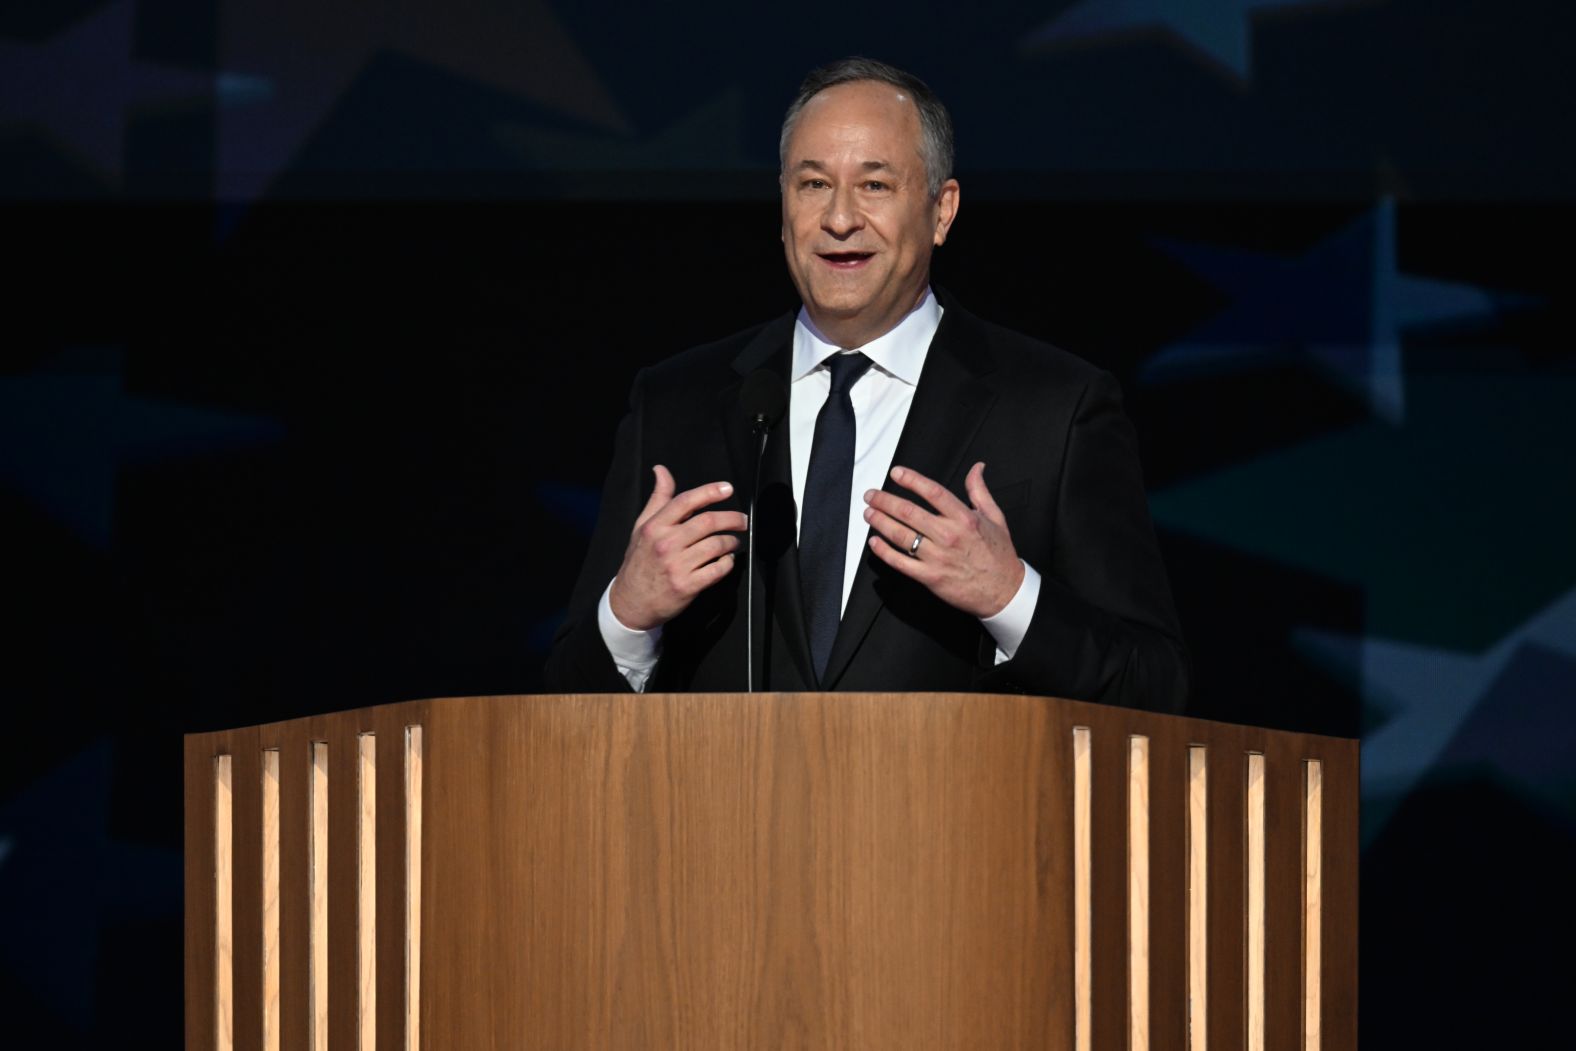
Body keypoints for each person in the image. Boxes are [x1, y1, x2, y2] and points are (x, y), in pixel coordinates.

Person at [543, 57, 1187, 711]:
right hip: (721, 812)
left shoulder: (1058, 408)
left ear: (942, 211)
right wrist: (629, 616)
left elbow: (1153, 683)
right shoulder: (676, 403)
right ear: (783, 207)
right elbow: (562, 702)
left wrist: (1010, 596)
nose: (840, 218)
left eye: (875, 186)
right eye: (813, 184)